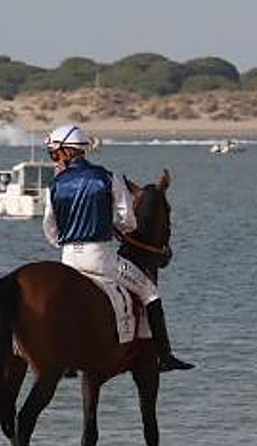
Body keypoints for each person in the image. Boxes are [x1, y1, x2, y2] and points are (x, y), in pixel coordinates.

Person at [41, 124, 193, 372]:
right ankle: (164, 356)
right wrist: (114, 227)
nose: (54, 159)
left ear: (68, 152)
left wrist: (66, 240)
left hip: (67, 259)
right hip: (101, 259)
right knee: (150, 291)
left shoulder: (54, 185)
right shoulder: (107, 177)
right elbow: (128, 221)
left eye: (54, 154)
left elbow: (50, 229)